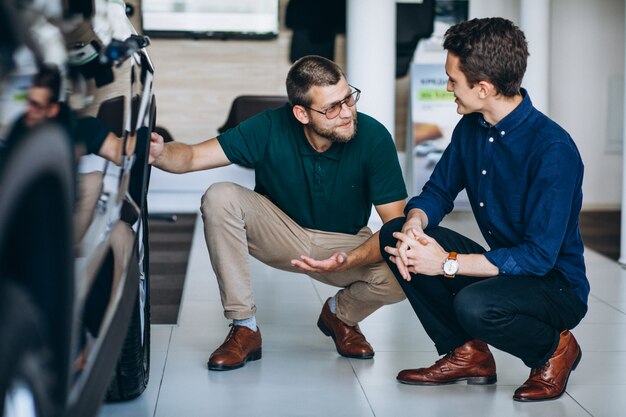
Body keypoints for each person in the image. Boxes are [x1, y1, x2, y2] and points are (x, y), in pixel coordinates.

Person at [148, 55, 408, 371]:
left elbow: (395, 222)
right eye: (331, 108)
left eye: (348, 99)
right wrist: (161, 153)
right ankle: (244, 328)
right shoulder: (269, 126)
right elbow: (190, 157)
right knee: (220, 196)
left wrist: (351, 259)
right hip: (279, 233)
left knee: (404, 273)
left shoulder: (374, 137)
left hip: (344, 244)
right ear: (301, 113)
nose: (347, 113)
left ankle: (340, 315)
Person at [376, 17, 589, 402]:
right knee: (393, 234)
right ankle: (468, 355)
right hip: (505, 268)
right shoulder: (471, 128)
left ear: (484, 87)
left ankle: (554, 350)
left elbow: (538, 257)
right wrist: (414, 225)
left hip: (554, 284)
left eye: (453, 81)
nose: (447, 88)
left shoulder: (552, 150)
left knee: (475, 305)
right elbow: (438, 192)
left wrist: (446, 263)